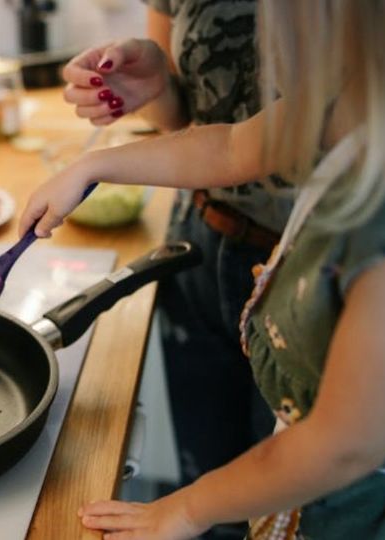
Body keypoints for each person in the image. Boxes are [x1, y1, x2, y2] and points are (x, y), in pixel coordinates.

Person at [20, 0, 385, 537]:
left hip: (378, 512)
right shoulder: (371, 96)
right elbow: (229, 147)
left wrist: (186, 508)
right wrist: (92, 167)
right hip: (311, 485)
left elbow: (341, 447)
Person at [60, 3, 284, 537]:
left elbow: (332, 450)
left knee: (273, 504)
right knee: (203, 477)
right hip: (201, 244)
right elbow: (205, 126)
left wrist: (95, 166)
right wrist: (156, 86)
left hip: (303, 267)